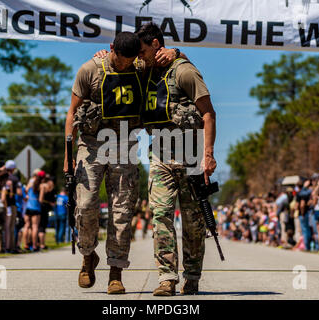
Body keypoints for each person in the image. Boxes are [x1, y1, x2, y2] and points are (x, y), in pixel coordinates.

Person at [136, 22, 217, 296]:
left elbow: (208, 114)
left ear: (156, 45)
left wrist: (208, 155)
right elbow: (118, 64)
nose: (139, 55)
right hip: (160, 153)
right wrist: (102, 55)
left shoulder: (185, 71)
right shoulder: (145, 70)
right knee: (160, 216)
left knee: (194, 222)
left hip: (191, 156)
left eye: (143, 50)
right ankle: (167, 278)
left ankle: (192, 276)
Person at [64, 31, 145, 295]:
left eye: (130, 61)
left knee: (121, 211)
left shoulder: (140, 66)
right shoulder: (90, 70)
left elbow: (170, 60)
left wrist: (176, 53)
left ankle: (116, 272)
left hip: (125, 144)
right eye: (121, 60)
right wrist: (67, 155)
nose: (125, 65)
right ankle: (88, 256)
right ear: (112, 49)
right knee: (85, 205)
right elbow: (72, 112)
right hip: (91, 144)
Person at [24, 170, 44, 251]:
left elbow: (25, 189)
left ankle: (26, 245)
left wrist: (28, 196)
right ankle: (34, 245)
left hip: (28, 207)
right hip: (36, 208)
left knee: (26, 226)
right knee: (35, 227)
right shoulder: (41, 185)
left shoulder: (31, 182)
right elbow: (41, 199)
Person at [4, 160, 22, 253]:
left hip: (2, 203)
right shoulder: (15, 179)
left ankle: (2, 246)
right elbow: (19, 192)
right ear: (13, 168)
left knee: (4, 227)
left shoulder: (1, 177)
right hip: (11, 204)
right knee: (11, 227)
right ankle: (10, 246)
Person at [38, 174, 55, 250]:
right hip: (44, 208)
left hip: (40, 207)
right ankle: (42, 244)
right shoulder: (50, 188)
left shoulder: (41, 186)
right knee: (42, 226)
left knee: (39, 226)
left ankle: (39, 243)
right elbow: (53, 202)